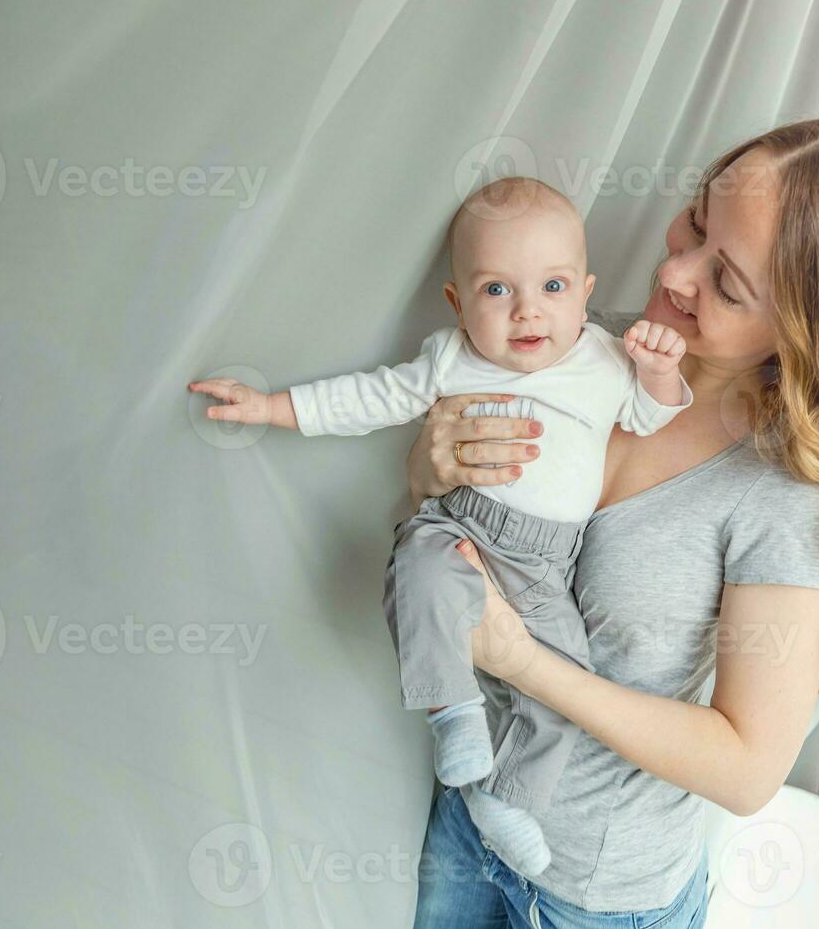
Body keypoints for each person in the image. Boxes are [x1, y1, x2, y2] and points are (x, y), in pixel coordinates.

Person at [404, 116, 819, 927]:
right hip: (467, 817)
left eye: (728, 283)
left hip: (595, 896)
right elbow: (462, 524)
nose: (673, 272)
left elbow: (746, 768)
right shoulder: (590, 353)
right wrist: (433, 465)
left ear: (810, 330)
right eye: (697, 222)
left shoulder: (788, 495)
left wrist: (519, 660)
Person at [188, 175, 693, 879]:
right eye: (497, 291)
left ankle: (506, 800)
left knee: (566, 689)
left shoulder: (606, 360)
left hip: (545, 566)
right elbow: (370, 396)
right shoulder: (451, 357)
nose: (527, 313)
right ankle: (452, 711)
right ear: (458, 303)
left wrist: (660, 372)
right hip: (461, 522)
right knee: (419, 575)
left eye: (552, 288)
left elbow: (652, 415)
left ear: (585, 291)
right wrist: (270, 407)